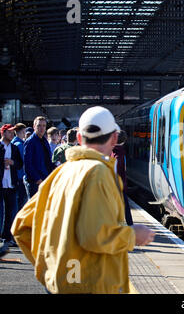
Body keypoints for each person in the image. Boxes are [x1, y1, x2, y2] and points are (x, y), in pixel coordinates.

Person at [12, 106, 155, 294]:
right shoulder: (99, 173)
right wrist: (133, 235)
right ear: (114, 138)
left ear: (79, 138)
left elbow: (21, 226)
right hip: (90, 285)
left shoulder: (59, 173)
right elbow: (93, 235)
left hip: (62, 283)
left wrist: (51, 267)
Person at [0, 124, 23, 247]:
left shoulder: (14, 148)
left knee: (10, 211)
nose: (12, 134)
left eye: (12, 132)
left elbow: (20, 163)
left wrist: (12, 162)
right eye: (9, 132)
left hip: (11, 182)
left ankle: (6, 236)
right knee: (1, 212)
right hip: (1, 182)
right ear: (3, 133)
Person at [23, 116, 55, 199]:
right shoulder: (30, 142)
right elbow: (27, 164)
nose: (42, 128)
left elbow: (48, 160)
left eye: (44, 126)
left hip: (45, 178)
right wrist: (37, 179)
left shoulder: (44, 141)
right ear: (34, 127)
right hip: (35, 182)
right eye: (39, 125)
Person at [112, 130, 133, 226]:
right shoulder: (119, 153)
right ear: (124, 141)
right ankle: (130, 225)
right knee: (125, 206)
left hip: (116, 184)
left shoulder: (113, 151)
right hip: (119, 184)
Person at [12, 123, 27, 210]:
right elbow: (24, 160)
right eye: (24, 131)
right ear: (21, 132)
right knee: (21, 202)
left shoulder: (13, 142)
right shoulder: (20, 145)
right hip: (21, 175)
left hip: (15, 176)